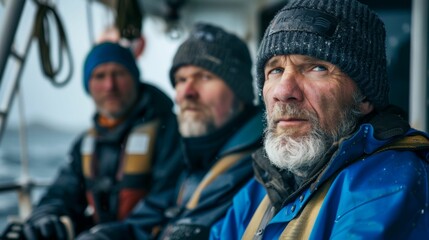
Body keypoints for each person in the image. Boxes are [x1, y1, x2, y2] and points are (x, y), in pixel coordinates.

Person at [211, 0, 429, 239]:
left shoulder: (387, 182)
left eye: (316, 68)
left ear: (364, 96)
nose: (283, 92)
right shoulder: (260, 189)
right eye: (275, 70)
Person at [76, 23, 264, 240]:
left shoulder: (262, 168)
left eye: (204, 77)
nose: (187, 92)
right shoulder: (193, 159)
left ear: (239, 93)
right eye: (181, 80)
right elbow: (147, 222)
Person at [17, 42, 184, 239]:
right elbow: (62, 191)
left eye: (119, 73)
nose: (109, 86)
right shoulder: (85, 143)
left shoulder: (170, 132)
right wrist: (46, 217)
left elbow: (167, 203)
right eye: (100, 76)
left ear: (135, 78)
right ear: (88, 85)